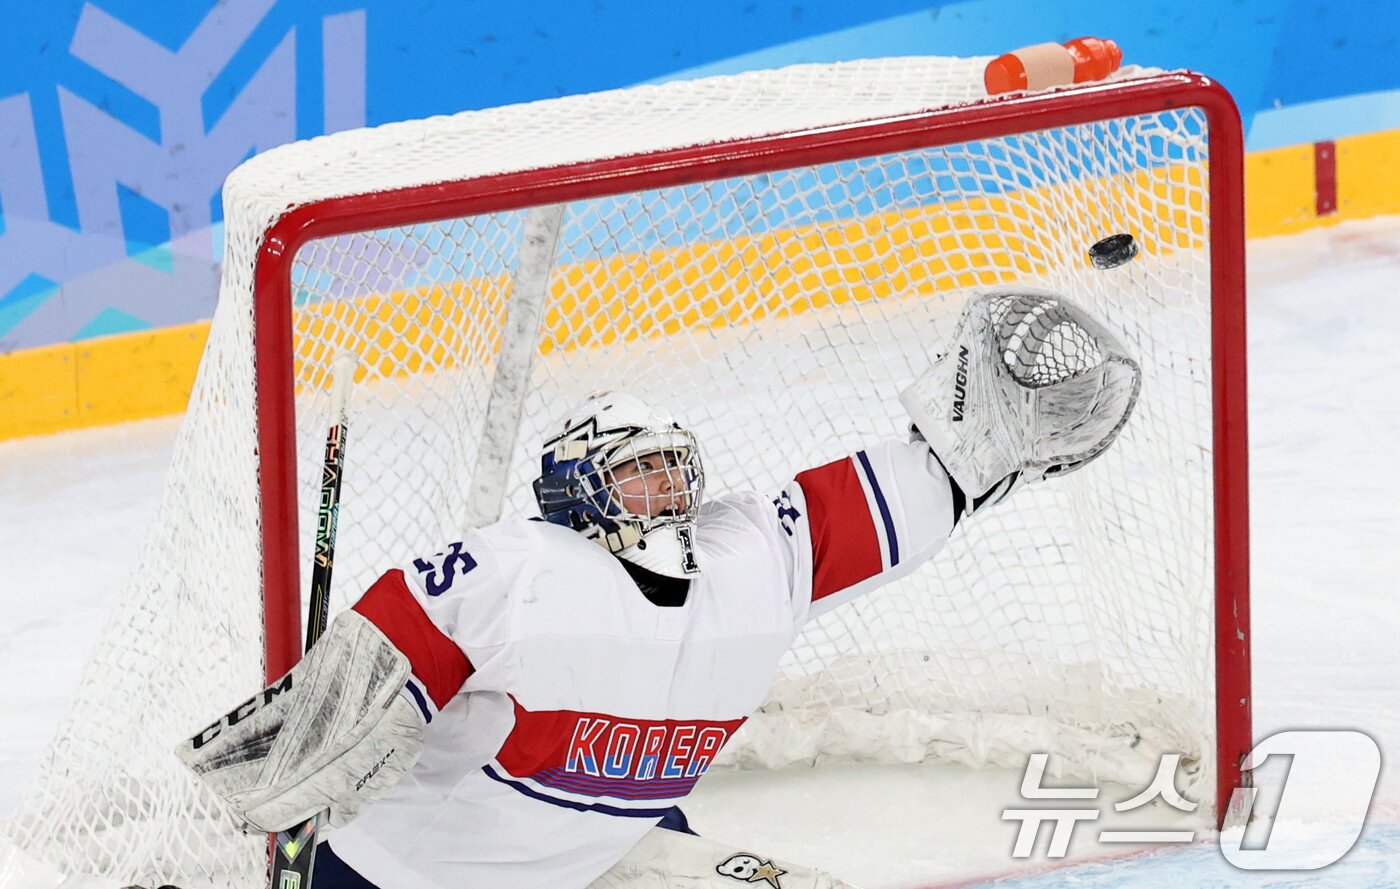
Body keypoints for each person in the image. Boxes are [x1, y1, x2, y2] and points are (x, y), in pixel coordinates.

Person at [177, 288, 1141, 889]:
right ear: (575, 490)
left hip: (603, 849)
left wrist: (962, 457)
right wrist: (292, 757)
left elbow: (864, 508)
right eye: (638, 471)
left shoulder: (746, 564)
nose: (671, 491)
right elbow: (380, 656)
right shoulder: (523, 571)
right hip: (414, 875)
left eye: (676, 467)